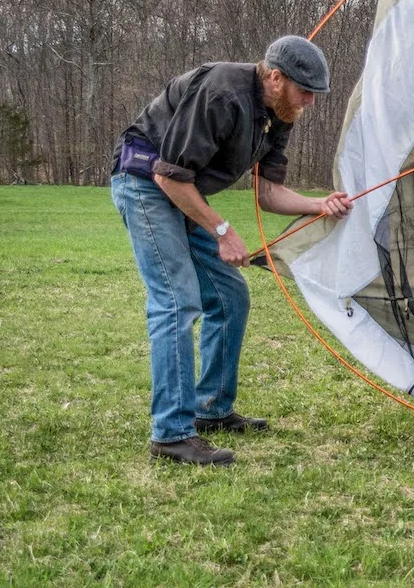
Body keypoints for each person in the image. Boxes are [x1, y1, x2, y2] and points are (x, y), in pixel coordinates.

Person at [111, 36, 353, 466]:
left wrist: (321, 204)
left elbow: (269, 193)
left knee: (229, 295)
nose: (311, 102)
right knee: (175, 301)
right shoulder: (223, 92)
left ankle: (212, 411)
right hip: (145, 182)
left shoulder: (281, 113)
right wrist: (222, 231)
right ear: (276, 77)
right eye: (306, 90)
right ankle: (171, 434)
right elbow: (168, 176)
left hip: (181, 190)